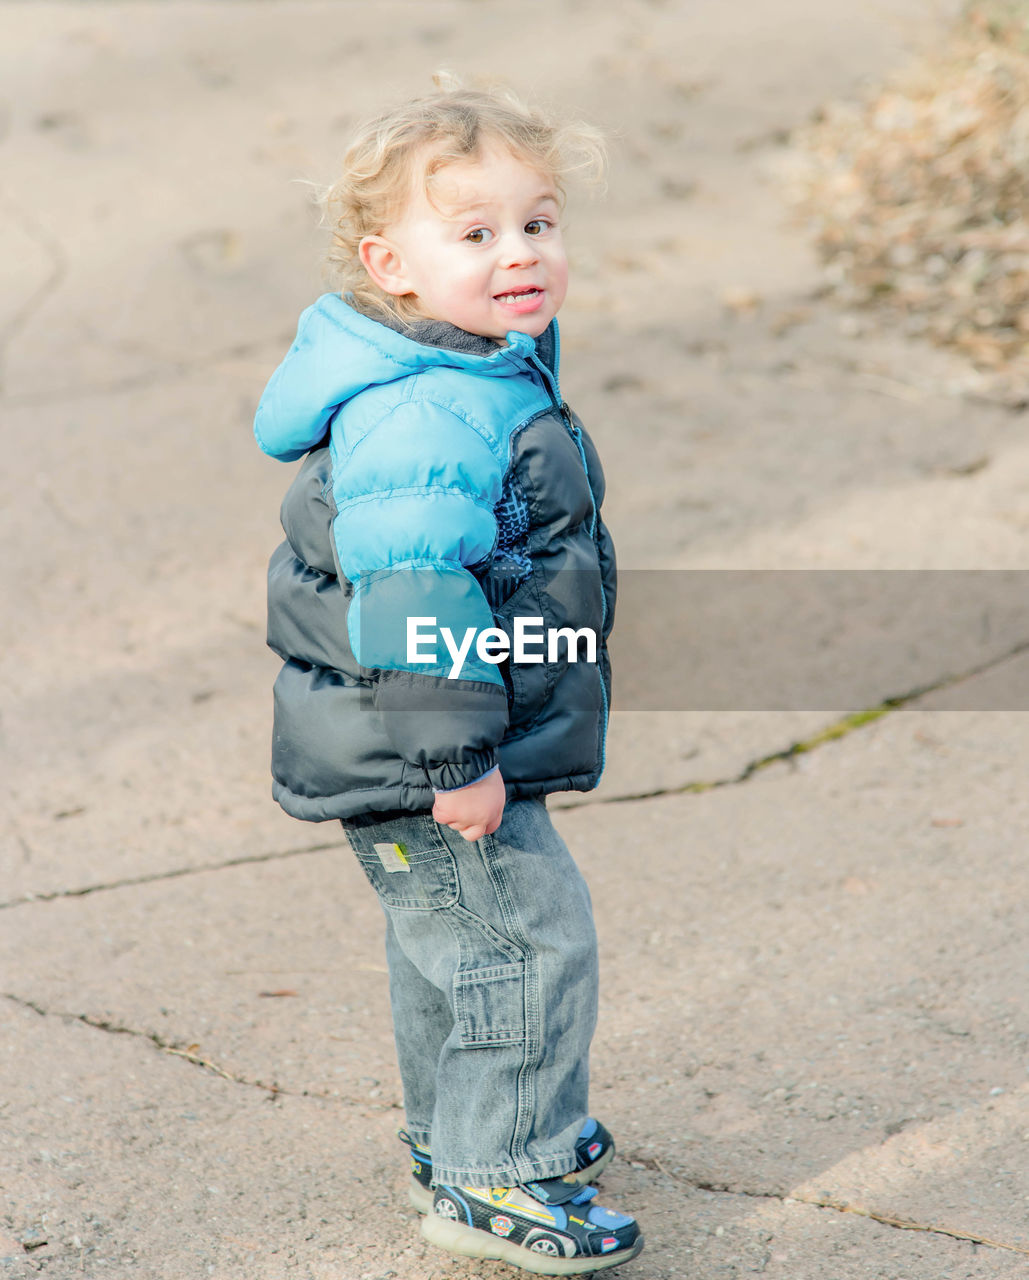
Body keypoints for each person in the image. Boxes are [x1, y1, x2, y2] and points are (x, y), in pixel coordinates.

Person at [254, 79, 643, 1274]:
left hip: (425, 742)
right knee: (527, 945)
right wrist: (457, 756)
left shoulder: (482, 367)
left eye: (538, 221)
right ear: (393, 264)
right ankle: (499, 1175)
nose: (520, 253)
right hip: (430, 746)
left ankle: (460, 1134)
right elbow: (414, 594)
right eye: (475, 234)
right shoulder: (426, 409)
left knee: (456, 949)